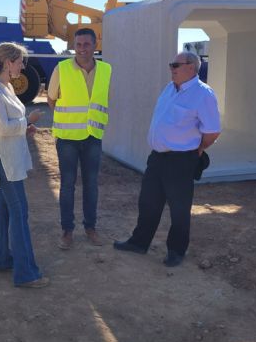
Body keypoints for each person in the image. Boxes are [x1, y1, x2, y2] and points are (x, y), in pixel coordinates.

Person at [114, 51, 221, 267]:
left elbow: (212, 131)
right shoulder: (169, 89)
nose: (171, 69)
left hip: (181, 161)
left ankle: (176, 250)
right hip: (157, 159)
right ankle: (139, 242)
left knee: (179, 209)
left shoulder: (204, 94)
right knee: (148, 203)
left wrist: (197, 150)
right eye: (171, 65)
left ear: (191, 67)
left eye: (175, 65)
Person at [0, 42, 49, 288]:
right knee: (19, 213)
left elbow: (12, 126)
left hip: (11, 158)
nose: (23, 65)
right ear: (9, 62)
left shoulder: (5, 89)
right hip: (4, 162)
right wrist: (26, 121)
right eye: (20, 61)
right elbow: (3, 128)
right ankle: (26, 273)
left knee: (5, 210)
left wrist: (24, 128)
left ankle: (0, 258)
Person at [47, 28, 112, 250]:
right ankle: (67, 231)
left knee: (91, 185)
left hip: (93, 136)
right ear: (73, 46)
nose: (82, 48)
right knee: (67, 186)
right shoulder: (62, 68)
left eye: (86, 44)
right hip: (67, 138)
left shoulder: (106, 70)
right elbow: (51, 99)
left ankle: (90, 227)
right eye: (78, 44)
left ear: (95, 45)